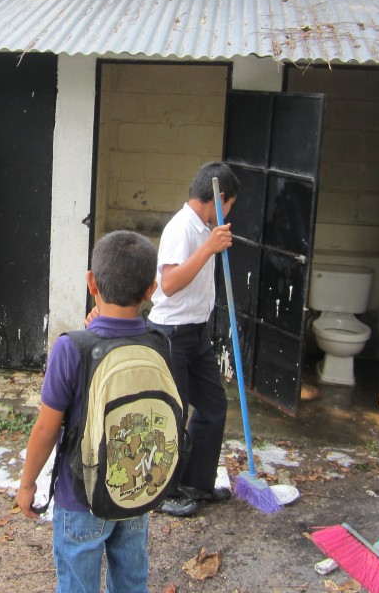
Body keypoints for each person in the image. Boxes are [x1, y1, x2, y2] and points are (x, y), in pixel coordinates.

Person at [17, 231, 161, 593]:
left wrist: (27, 483)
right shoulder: (159, 343)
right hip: (134, 488)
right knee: (131, 580)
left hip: (80, 496)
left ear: (91, 282)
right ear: (151, 290)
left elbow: (47, 430)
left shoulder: (73, 349)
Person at [146, 161, 239, 518]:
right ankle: (163, 493)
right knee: (173, 413)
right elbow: (168, 284)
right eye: (229, 206)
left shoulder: (205, 228)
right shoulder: (181, 229)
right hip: (171, 334)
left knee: (214, 406)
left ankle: (196, 482)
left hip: (197, 332)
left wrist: (212, 243)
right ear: (220, 198)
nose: (228, 213)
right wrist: (208, 249)